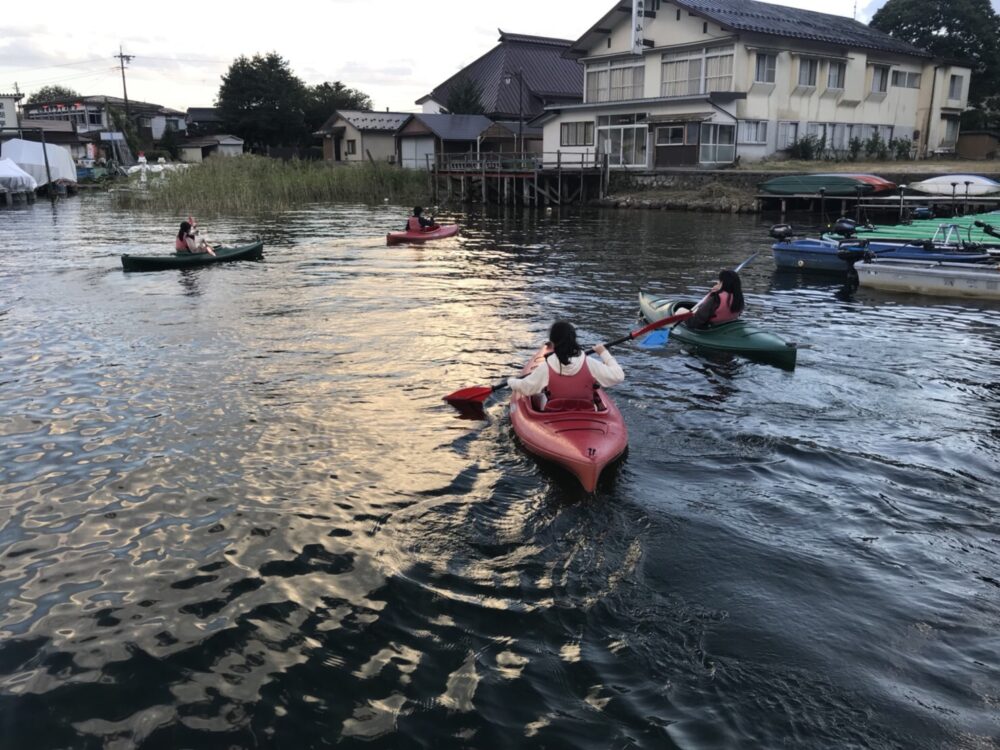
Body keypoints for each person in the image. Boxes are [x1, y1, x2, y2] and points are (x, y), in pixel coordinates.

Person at [508, 320, 625, 411]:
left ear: (552, 343)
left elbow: (525, 388)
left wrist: (511, 381)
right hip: (586, 411)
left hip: (554, 412)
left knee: (538, 393)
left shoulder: (547, 367)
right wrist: (603, 353)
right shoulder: (590, 363)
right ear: (574, 339)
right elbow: (618, 376)